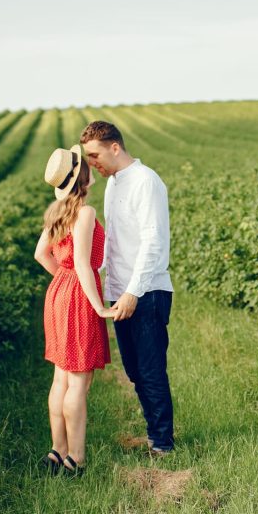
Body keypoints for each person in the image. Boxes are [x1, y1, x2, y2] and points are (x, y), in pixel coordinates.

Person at [81, 121, 175, 456]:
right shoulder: (113, 184)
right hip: (118, 290)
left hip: (146, 291)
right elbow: (116, 241)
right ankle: (154, 432)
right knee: (134, 370)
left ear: (114, 147)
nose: (92, 163)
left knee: (150, 371)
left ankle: (162, 443)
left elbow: (153, 242)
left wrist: (133, 292)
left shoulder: (146, 181)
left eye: (95, 155)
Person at [34, 144, 114, 476]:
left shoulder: (56, 211)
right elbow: (82, 263)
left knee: (61, 379)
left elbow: (42, 254)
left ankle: (57, 450)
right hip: (78, 295)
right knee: (78, 381)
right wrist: (99, 306)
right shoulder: (85, 212)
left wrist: (63, 281)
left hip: (57, 294)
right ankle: (76, 458)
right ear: (82, 175)